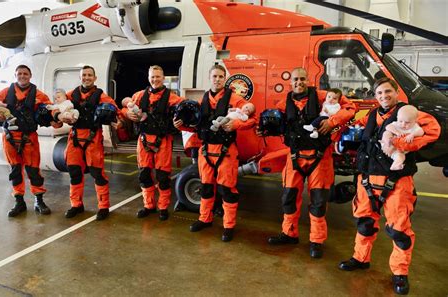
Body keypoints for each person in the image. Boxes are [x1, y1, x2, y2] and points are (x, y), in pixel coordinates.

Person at [338, 78, 440, 295]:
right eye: (379, 93)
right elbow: (357, 126)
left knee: (399, 229)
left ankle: (400, 273)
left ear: (396, 92)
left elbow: (433, 130)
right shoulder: (372, 115)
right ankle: (360, 258)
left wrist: (401, 144)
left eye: (387, 92)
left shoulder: (409, 113)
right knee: (364, 222)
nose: (384, 96)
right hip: (366, 178)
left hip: (396, 181)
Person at [265, 67, 356, 258]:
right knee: (288, 198)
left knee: (318, 202)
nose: (299, 83)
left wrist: (332, 122)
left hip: (320, 157)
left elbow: (349, 108)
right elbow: (274, 122)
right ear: (291, 83)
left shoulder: (324, 97)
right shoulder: (284, 103)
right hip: (294, 157)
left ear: (308, 80)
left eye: (302, 79)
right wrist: (265, 128)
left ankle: (317, 240)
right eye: (296, 79)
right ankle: (289, 233)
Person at [174, 65, 256, 242]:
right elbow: (196, 126)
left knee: (228, 190)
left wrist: (235, 125)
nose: (217, 79)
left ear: (224, 78)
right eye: (214, 76)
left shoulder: (234, 99)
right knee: (206, 187)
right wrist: (180, 125)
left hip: (225, 151)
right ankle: (205, 218)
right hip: (206, 150)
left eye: (220, 76)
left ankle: (228, 225)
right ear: (209, 77)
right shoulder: (202, 99)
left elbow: (251, 119)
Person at [0, 64, 58, 217]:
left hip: (29, 138)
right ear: (15, 75)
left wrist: (57, 119)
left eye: (25, 74)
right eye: (20, 73)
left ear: (30, 76)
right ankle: (19, 201)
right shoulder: (5, 92)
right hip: (10, 138)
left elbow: (51, 109)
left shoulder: (38, 94)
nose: (22, 76)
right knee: (15, 170)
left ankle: (39, 200)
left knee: (33, 171)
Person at [57, 65, 122, 221]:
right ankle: (76, 205)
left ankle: (103, 206)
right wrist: (59, 115)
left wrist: (119, 122)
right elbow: (58, 107)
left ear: (95, 78)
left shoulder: (101, 96)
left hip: (92, 138)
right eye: (84, 75)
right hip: (74, 138)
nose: (86, 77)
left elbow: (116, 110)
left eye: (89, 75)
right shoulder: (71, 95)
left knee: (97, 174)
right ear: (80, 78)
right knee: (74, 173)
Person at [124, 65, 183, 221]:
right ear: (148, 78)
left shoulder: (172, 98)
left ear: (163, 78)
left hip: (163, 140)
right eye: (152, 77)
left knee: (163, 177)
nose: (155, 80)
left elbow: (185, 110)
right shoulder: (138, 96)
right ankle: (148, 205)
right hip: (143, 140)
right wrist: (129, 114)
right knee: (144, 175)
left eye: (158, 77)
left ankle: (163, 207)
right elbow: (125, 110)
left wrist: (181, 122)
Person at [380, 105, 425, 170]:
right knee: (386, 133)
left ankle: (395, 165)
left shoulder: (414, 127)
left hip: (400, 150)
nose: (403, 124)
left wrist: (412, 135)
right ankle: (387, 144)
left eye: (407, 122)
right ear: (397, 117)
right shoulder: (396, 124)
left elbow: (421, 132)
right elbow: (388, 127)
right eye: (400, 121)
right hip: (389, 143)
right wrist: (396, 132)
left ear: (415, 120)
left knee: (401, 157)